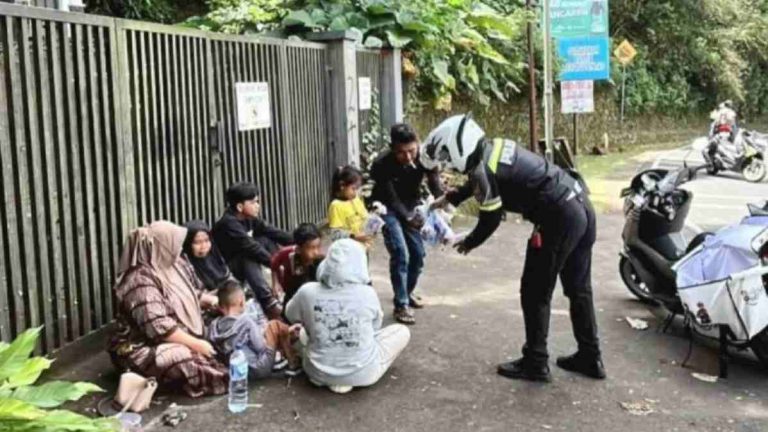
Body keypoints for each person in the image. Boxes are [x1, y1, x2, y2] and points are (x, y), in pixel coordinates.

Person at [425, 114, 605, 382]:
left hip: (558, 218)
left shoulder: (482, 169)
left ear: (458, 148)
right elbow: (484, 181)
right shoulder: (495, 148)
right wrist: (452, 197)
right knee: (579, 288)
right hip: (579, 204)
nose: (447, 162)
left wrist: (469, 242)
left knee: (534, 291)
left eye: (446, 155)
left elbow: (491, 217)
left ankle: (536, 361)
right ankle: (590, 356)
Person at [109, 221, 227, 398]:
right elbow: (158, 326)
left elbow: (187, 292)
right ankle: (223, 378)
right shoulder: (139, 280)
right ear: (163, 246)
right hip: (142, 346)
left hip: (180, 332)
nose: (179, 248)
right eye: (175, 243)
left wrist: (210, 300)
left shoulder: (174, 264)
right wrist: (196, 344)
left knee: (223, 329)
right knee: (181, 357)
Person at [285, 239, 411, 394]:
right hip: (363, 374)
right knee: (402, 331)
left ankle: (330, 373)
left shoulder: (307, 291)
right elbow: (375, 327)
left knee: (302, 331)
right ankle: (347, 375)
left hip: (317, 373)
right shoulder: (367, 293)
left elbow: (290, 315)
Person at [370, 123, 444, 325]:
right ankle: (401, 305)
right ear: (392, 148)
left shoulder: (426, 157)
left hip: (412, 205)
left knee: (418, 255)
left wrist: (444, 204)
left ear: (418, 143)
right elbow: (391, 198)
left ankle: (406, 292)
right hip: (387, 208)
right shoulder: (381, 163)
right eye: (401, 153)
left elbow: (435, 184)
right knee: (400, 252)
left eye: (412, 150)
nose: (408, 157)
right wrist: (408, 218)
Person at [213, 182, 293, 320]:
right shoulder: (229, 223)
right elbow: (251, 247)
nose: (258, 206)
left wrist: (300, 241)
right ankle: (268, 301)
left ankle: (284, 282)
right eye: (253, 202)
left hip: (242, 264)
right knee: (248, 253)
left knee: (265, 239)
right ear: (240, 207)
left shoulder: (249, 218)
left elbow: (273, 232)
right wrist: (276, 265)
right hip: (226, 270)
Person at [208, 280, 301, 378]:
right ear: (241, 302)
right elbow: (261, 347)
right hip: (258, 368)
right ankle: (293, 363)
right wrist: (277, 334)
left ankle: (283, 351)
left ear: (220, 306)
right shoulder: (245, 322)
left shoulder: (214, 326)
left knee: (271, 332)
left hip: (237, 370)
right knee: (275, 325)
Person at [271, 223, 324, 309]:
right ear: (298, 249)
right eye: (311, 248)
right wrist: (275, 283)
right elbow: (274, 263)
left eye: (318, 247)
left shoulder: (321, 261)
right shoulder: (287, 254)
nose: (316, 252)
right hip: (291, 291)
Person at [183, 220, 236, 293]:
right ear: (187, 244)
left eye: (207, 240)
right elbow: (192, 293)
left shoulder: (215, 256)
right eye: (197, 242)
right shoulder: (184, 266)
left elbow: (229, 278)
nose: (203, 246)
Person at [328, 165, 372, 247]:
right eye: (353, 188)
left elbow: (365, 217)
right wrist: (353, 236)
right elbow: (335, 234)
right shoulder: (336, 206)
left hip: (362, 247)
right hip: (348, 250)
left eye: (357, 189)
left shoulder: (356, 199)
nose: (355, 192)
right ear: (342, 185)